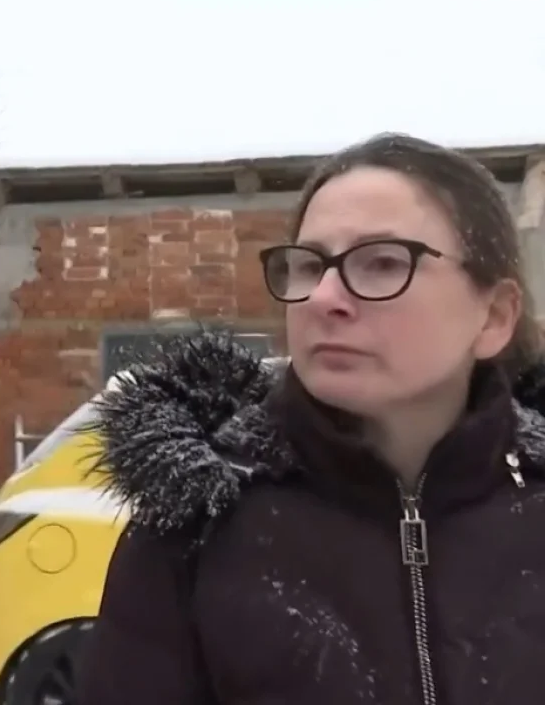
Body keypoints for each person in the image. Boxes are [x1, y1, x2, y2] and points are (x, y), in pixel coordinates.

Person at [75, 132, 545, 704]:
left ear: (493, 316)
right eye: (307, 265)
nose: (323, 298)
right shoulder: (198, 525)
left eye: (382, 262)